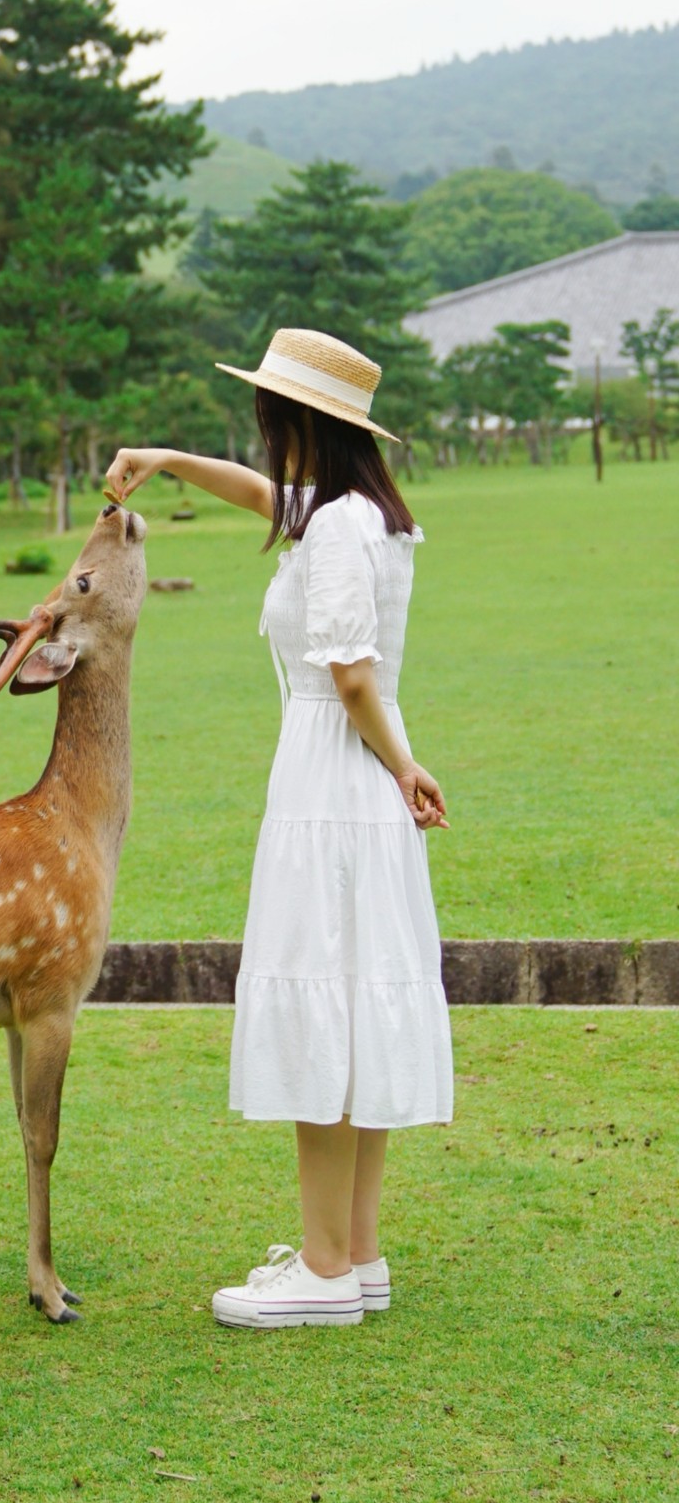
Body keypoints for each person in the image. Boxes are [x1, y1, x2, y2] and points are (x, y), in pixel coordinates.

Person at [104, 327, 452, 1328]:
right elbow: (265, 500)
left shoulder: (339, 528)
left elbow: (348, 673)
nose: (259, 435)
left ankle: (324, 1268)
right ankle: (358, 1253)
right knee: (351, 1004)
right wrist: (166, 459)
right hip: (355, 781)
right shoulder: (368, 513)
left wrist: (400, 764)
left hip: (333, 780)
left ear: (294, 420)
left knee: (321, 1008)